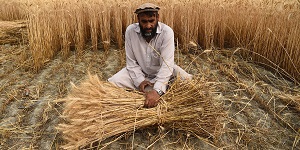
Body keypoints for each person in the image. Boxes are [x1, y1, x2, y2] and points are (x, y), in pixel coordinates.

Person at [108, 3, 192, 108]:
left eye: (151, 21)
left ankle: (152, 92)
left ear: (158, 18)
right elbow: (131, 62)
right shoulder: (130, 31)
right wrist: (139, 81)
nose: (148, 26)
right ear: (138, 19)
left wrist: (157, 90)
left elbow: (167, 65)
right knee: (112, 83)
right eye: (144, 22)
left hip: (164, 73)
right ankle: (149, 92)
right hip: (140, 71)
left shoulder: (167, 33)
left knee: (189, 82)